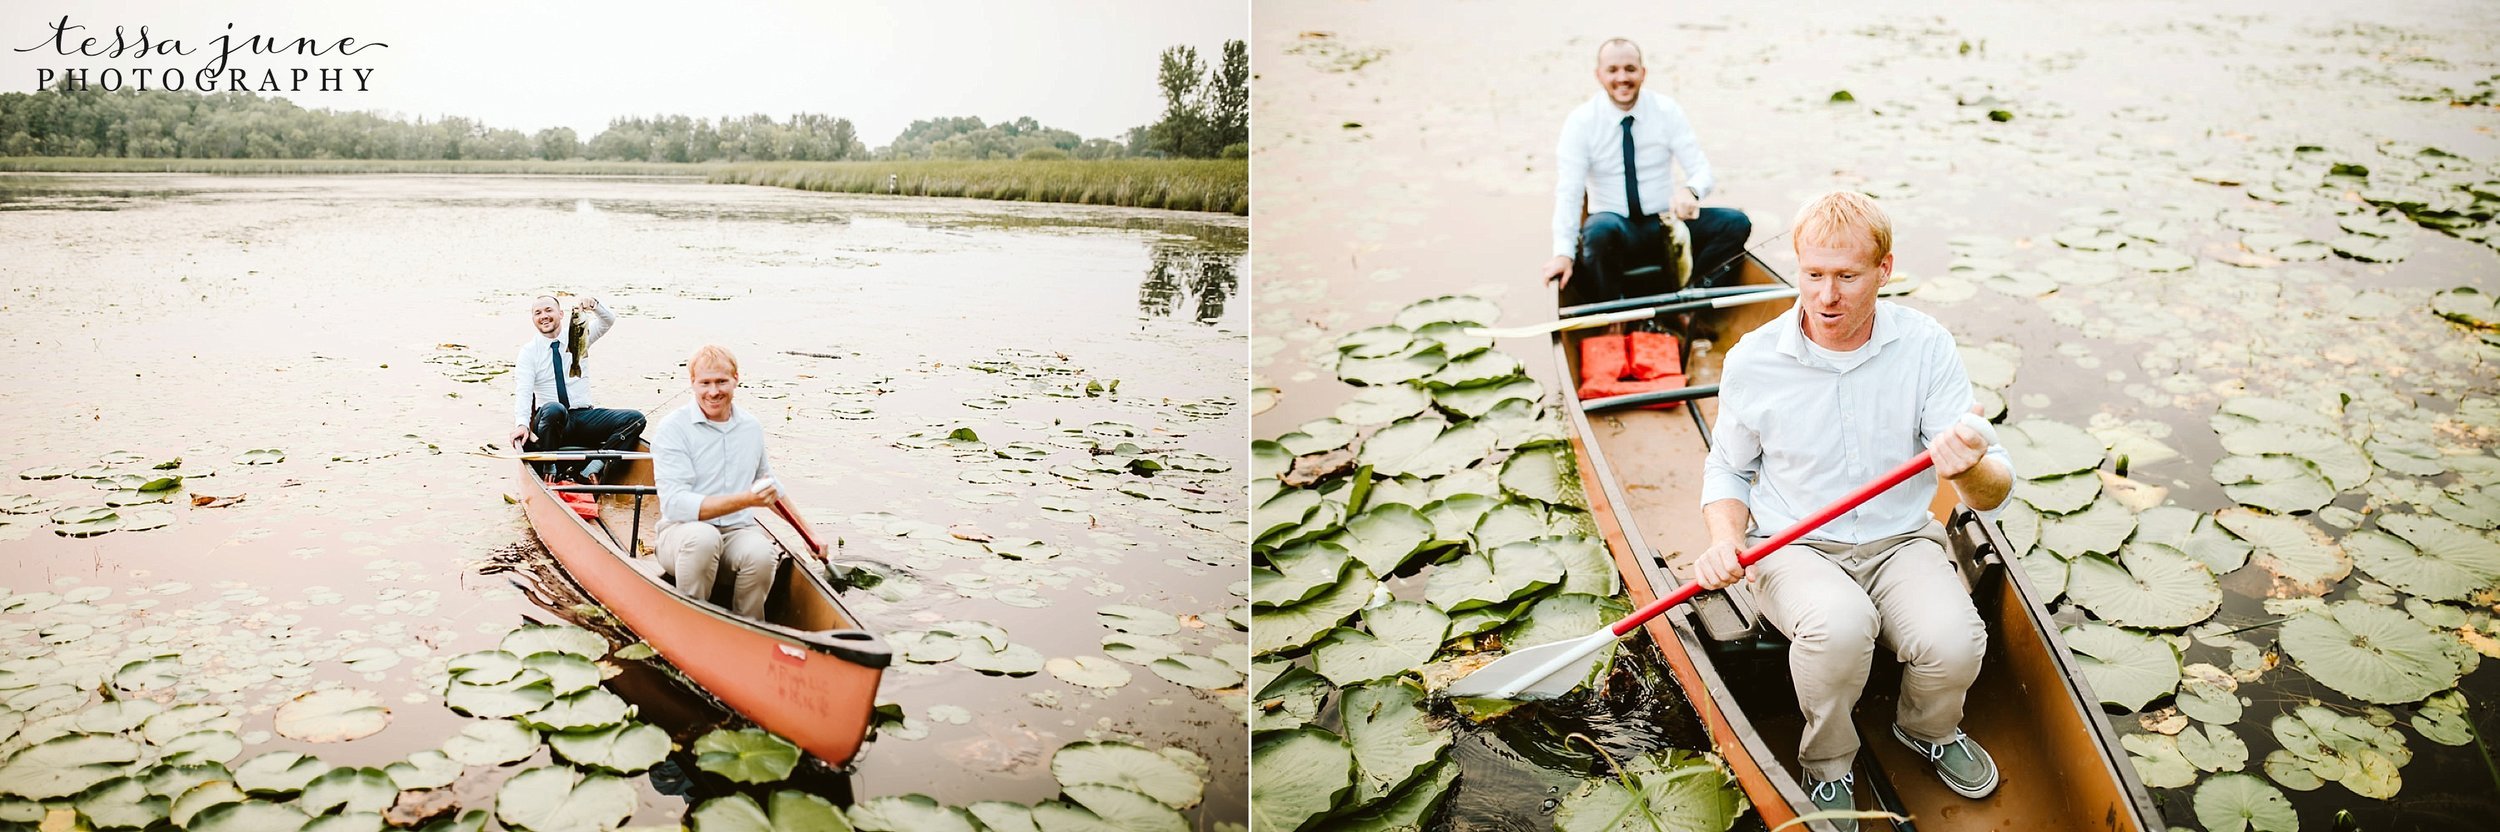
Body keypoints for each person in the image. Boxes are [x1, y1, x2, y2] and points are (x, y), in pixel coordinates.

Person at [1693, 192, 2011, 826]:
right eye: (1813, 275)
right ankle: (1828, 763)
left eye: (1847, 276)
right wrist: (1726, 539)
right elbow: (1729, 467)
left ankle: (1925, 729)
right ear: (1799, 267)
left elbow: (1992, 491)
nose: (1826, 296)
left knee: (1954, 642)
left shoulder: (1926, 345)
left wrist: (1968, 464)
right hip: (1793, 546)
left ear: (1884, 270)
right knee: (1840, 627)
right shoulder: (1755, 358)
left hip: (1901, 539)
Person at [1541, 38, 1753, 400]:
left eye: (1629, 69)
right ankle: (1615, 317)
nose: (1622, 78)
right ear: (1599, 75)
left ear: (1643, 72)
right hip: (1616, 230)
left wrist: (1691, 192)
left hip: (1663, 227)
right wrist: (1563, 252)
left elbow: (1700, 169)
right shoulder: (1581, 122)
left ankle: (1687, 300)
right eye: (1613, 70)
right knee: (1598, 230)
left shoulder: (1666, 111)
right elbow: (1569, 192)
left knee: (1736, 224)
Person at [650, 345, 814, 618]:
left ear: (736, 378)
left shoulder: (750, 427)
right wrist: (746, 500)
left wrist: (810, 535)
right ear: (692, 383)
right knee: (703, 538)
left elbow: (768, 484)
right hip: (681, 536)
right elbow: (676, 505)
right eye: (705, 383)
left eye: (721, 381)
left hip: (736, 533)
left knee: (761, 553)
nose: (713, 392)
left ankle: (749, 626)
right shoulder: (673, 428)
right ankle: (692, 621)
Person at [509, 294, 645, 484]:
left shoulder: (578, 333)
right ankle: (549, 466)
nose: (543, 316)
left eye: (549, 310)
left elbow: (608, 321)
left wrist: (595, 305)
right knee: (554, 409)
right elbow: (523, 390)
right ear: (533, 319)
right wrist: (522, 423)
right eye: (537, 312)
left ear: (561, 314)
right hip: (551, 423)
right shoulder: (529, 352)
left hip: (582, 417)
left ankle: (596, 465)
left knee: (635, 419)